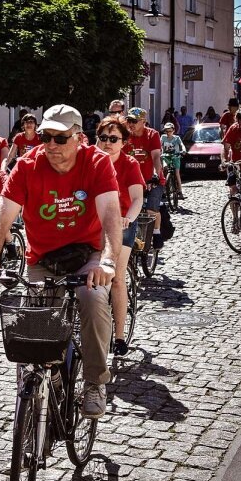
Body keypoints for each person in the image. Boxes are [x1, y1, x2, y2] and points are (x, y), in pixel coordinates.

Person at [0, 104, 122, 419]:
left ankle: (95, 382)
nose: (51, 145)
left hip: (87, 254)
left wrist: (107, 262)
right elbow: (1, 218)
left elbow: (110, 216)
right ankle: (48, 381)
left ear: (79, 138)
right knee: (36, 331)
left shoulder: (97, 163)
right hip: (43, 259)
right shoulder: (27, 167)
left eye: (60, 138)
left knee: (93, 298)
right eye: (45, 137)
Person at [96, 117, 144, 357]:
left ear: (124, 142)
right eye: (103, 138)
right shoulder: (91, 161)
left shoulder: (130, 164)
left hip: (122, 225)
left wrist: (128, 218)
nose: (107, 143)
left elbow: (137, 199)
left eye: (113, 139)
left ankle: (119, 336)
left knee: (116, 277)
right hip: (95, 225)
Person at [126, 107, 166, 249]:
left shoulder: (152, 135)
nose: (131, 124)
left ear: (143, 121)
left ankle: (156, 232)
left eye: (134, 121)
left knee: (151, 210)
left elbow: (155, 156)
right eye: (129, 120)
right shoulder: (125, 136)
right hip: (132, 181)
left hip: (152, 179)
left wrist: (155, 174)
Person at [160, 122, 186, 199]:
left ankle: (180, 191)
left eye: (170, 131)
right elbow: (160, 145)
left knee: (177, 173)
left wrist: (183, 150)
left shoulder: (177, 138)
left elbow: (182, 145)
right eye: (166, 131)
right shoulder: (163, 137)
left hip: (176, 157)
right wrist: (160, 151)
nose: (168, 133)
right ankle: (165, 189)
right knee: (164, 169)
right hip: (166, 156)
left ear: (173, 130)